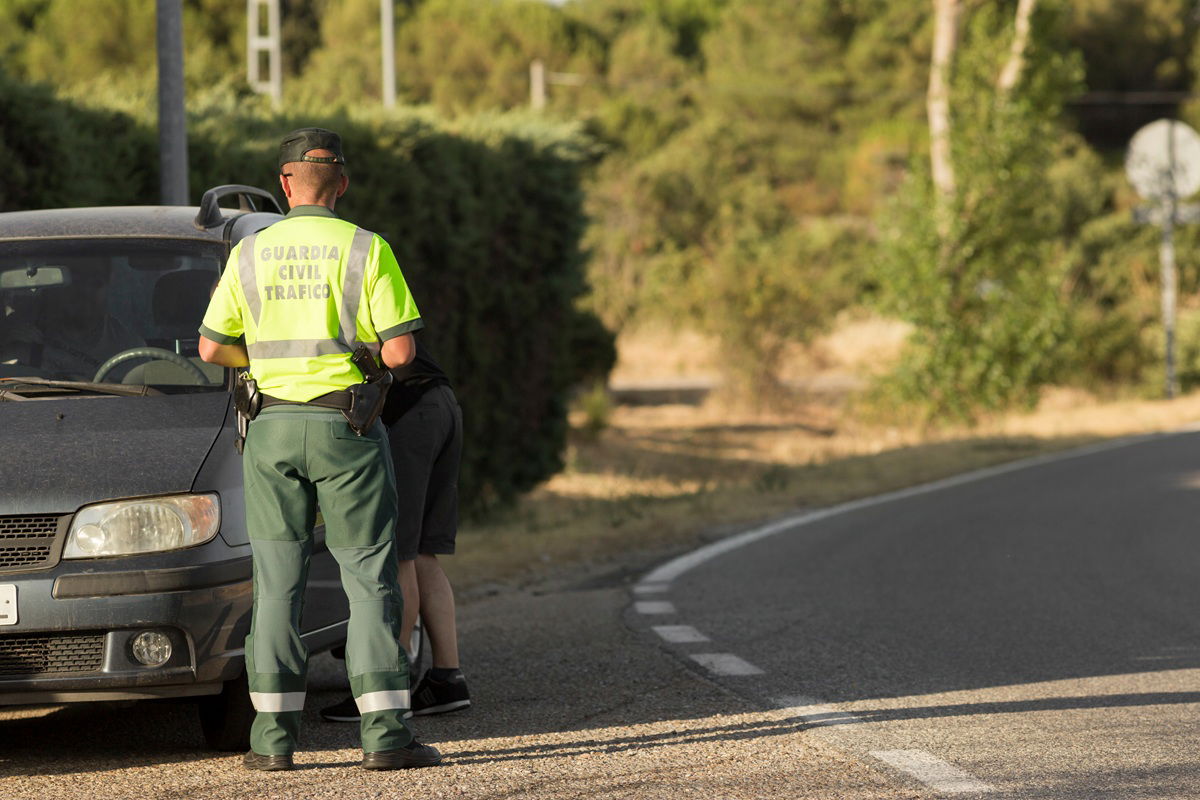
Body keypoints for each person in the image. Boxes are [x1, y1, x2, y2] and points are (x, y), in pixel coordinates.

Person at [197, 127, 441, 772]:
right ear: (343, 184)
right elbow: (400, 352)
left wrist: (269, 364)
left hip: (271, 430)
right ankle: (386, 739)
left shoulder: (249, 251)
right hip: (348, 430)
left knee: (276, 586)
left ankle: (271, 742)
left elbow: (211, 347)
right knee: (369, 579)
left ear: (284, 183)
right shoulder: (367, 248)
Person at [321, 337, 471, 723]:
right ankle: (446, 679)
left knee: (399, 552)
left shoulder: (326, 285)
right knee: (421, 552)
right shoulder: (363, 281)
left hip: (409, 414)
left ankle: (391, 687)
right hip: (441, 404)